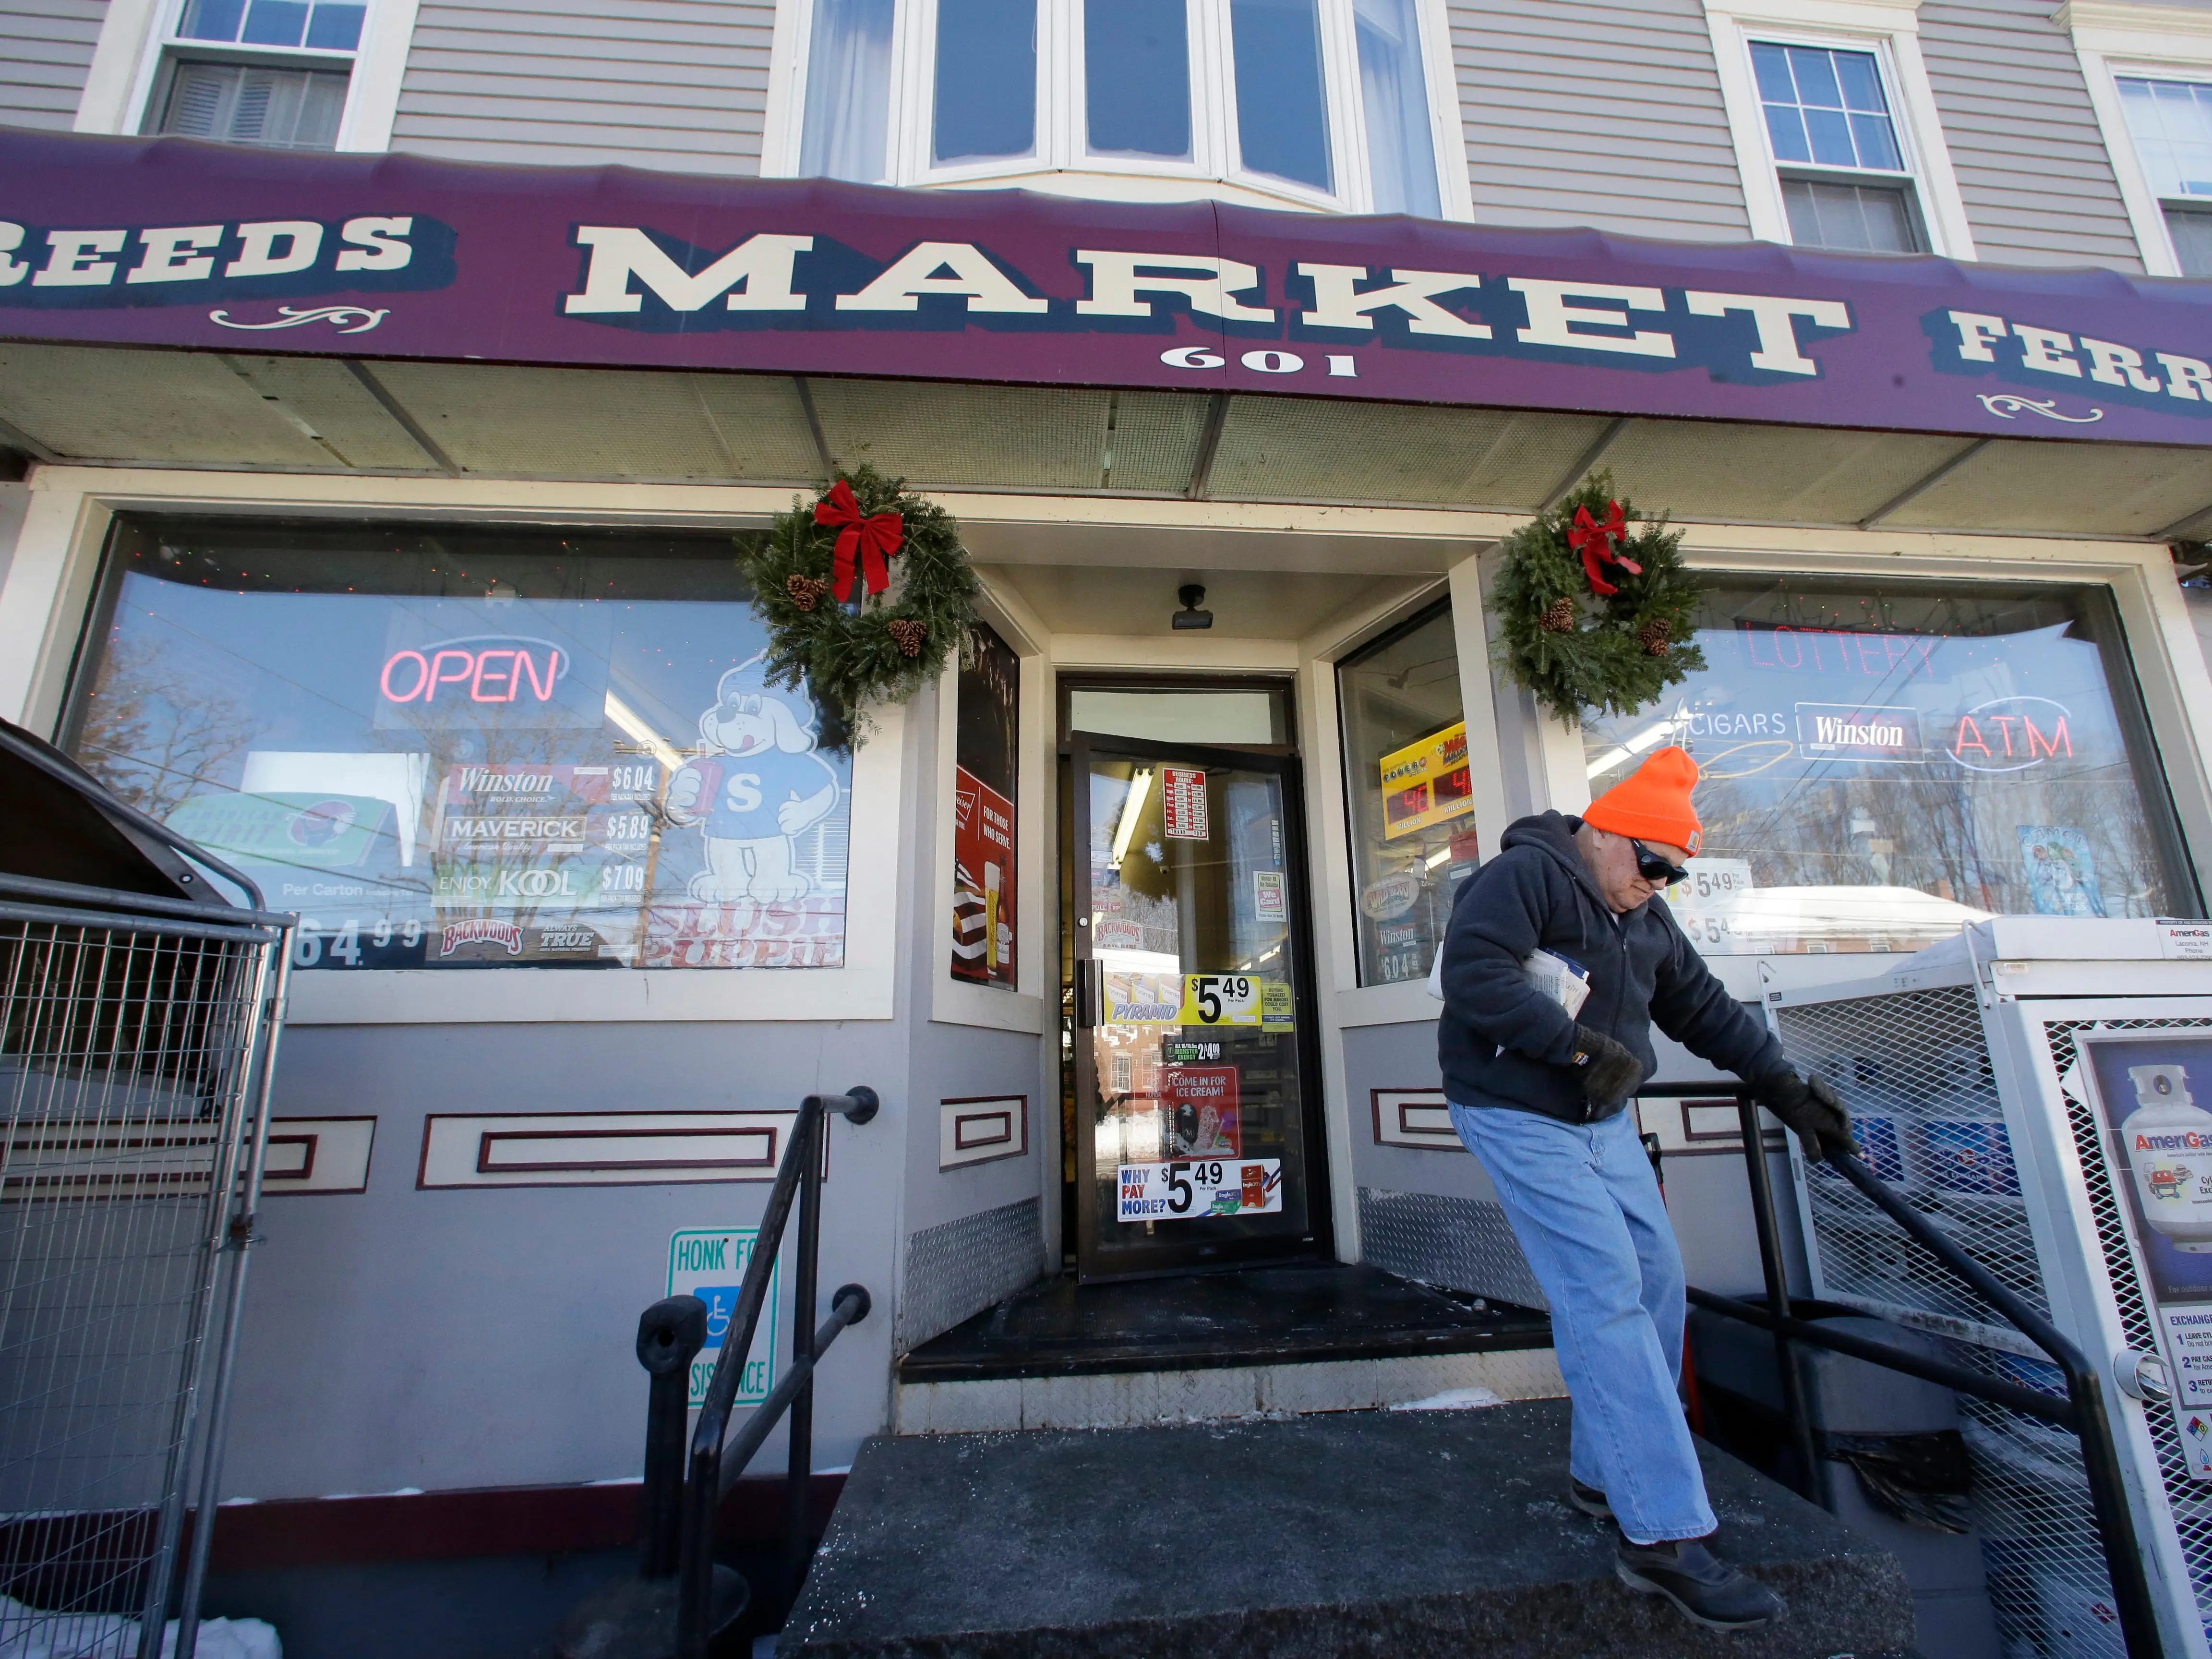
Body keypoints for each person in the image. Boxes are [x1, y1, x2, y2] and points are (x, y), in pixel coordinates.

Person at [1434, 745, 1854, 1633]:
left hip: (1603, 1120)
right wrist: (1578, 1048)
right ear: (1608, 834)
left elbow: (1704, 1009)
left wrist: (1786, 1090)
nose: (1660, 885)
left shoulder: (1648, 920)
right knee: (1603, 1294)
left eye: (1676, 875)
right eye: (1654, 864)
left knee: (1658, 1280)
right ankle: (1661, 1535)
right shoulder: (1525, 878)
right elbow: (1474, 979)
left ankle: (1605, 1471)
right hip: (1517, 1110)